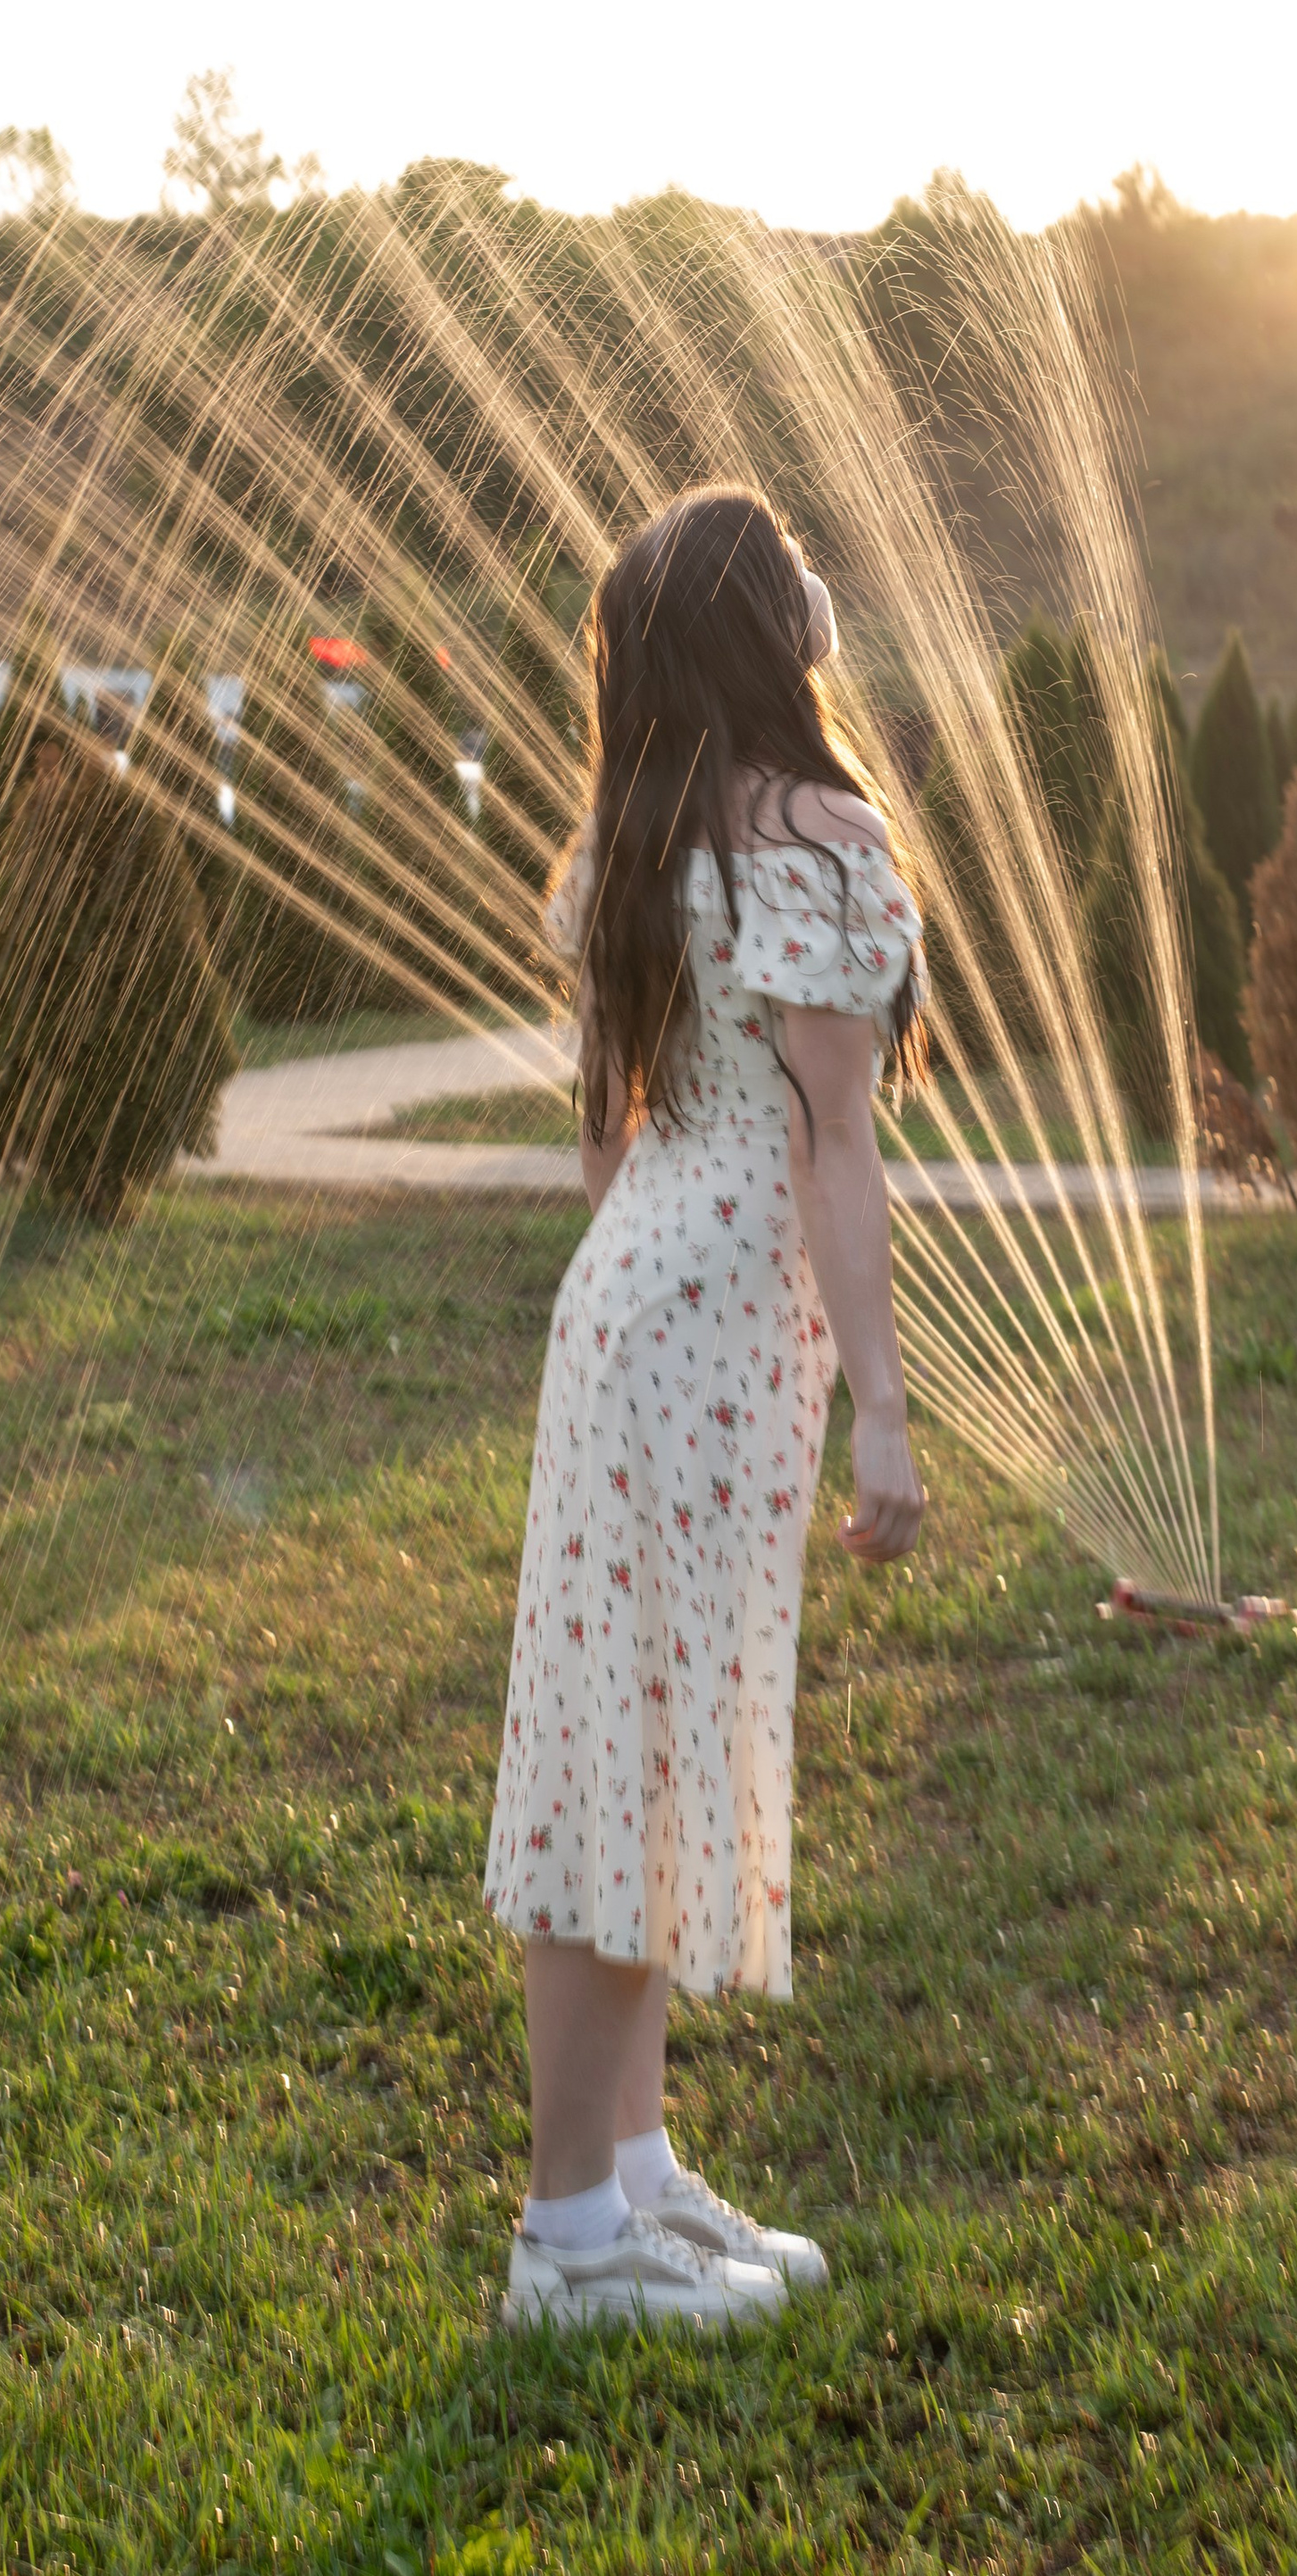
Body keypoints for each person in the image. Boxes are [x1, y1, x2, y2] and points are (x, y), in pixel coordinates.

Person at [485, 489, 929, 2331]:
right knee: (630, 1760)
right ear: (778, 635)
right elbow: (835, 1149)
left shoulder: (628, 840)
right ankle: (567, 2240)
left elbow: (610, 1140)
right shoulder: (820, 840)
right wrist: (880, 1414)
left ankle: (638, 2178)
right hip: (713, 1338)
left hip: (630, 1316)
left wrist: (662, 1298)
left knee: (631, 1744)